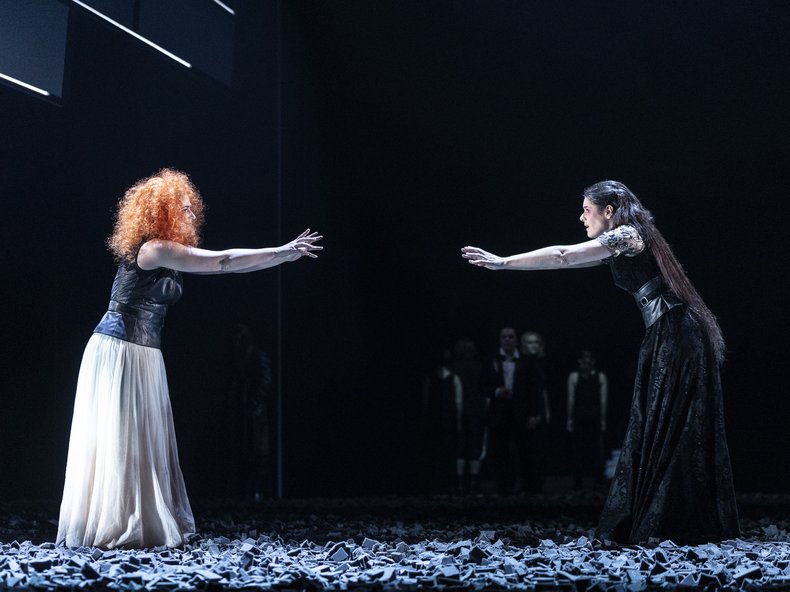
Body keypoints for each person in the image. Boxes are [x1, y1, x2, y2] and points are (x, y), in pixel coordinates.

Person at [56, 168, 322, 549]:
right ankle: (117, 523)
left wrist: (280, 256)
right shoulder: (153, 249)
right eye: (184, 208)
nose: (193, 214)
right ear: (162, 212)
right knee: (123, 440)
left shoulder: (168, 254)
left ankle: (138, 520)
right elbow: (223, 261)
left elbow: (224, 265)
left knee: (142, 439)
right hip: (120, 350)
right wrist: (282, 252)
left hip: (145, 353)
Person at [462, 180, 739, 544]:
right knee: (664, 419)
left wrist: (503, 263)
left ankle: (680, 521)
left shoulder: (628, 235)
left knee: (673, 420)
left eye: (587, 210)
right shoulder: (625, 240)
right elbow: (566, 260)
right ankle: (675, 518)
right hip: (666, 331)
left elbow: (563, 255)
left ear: (609, 211)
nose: (582, 218)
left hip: (677, 332)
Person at [566, 349, 607, 490]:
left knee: (595, 450)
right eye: (584, 358)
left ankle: (597, 480)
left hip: (593, 417)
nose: (586, 361)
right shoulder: (574, 377)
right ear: (579, 361)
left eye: (589, 358)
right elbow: (571, 399)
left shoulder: (600, 377)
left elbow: (603, 400)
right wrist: (570, 419)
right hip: (580, 417)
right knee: (579, 450)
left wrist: (602, 420)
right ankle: (579, 482)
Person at [449, 337, 485, 494]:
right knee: (475, 445)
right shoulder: (480, 367)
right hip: (477, 410)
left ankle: (459, 482)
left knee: (460, 446)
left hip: (457, 411)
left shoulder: (452, 368)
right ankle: (474, 482)